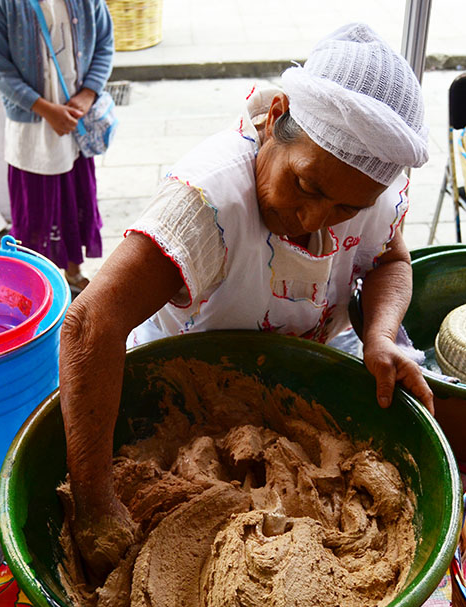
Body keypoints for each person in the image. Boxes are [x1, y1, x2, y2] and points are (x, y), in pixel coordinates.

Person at [59, 23, 433, 576]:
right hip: (175, 398)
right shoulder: (207, 204)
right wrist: (95, 503)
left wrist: (379, 335)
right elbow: (89, 324)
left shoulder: (359, 188)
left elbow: (390, 261)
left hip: (301, 377)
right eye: (307, 187)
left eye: (345, 210)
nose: (314, 219)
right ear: (277, 114)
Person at [0, 0, 114, 293]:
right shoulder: (0, 5)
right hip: (31, 131)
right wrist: (45, 109)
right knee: (35, 213)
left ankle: (74, 274)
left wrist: (88, 94)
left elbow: (105, 42)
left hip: (75, 126)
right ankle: (35, 283)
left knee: (76, 200)